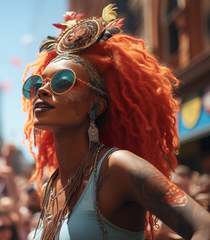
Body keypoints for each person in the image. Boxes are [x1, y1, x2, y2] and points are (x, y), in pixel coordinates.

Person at [21, 4, 210, 240]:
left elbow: (205, 226)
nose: (43, 91)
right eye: (37, 84)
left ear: (96, 104)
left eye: (63, 81)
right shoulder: (52, 184)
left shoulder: (117, 166)